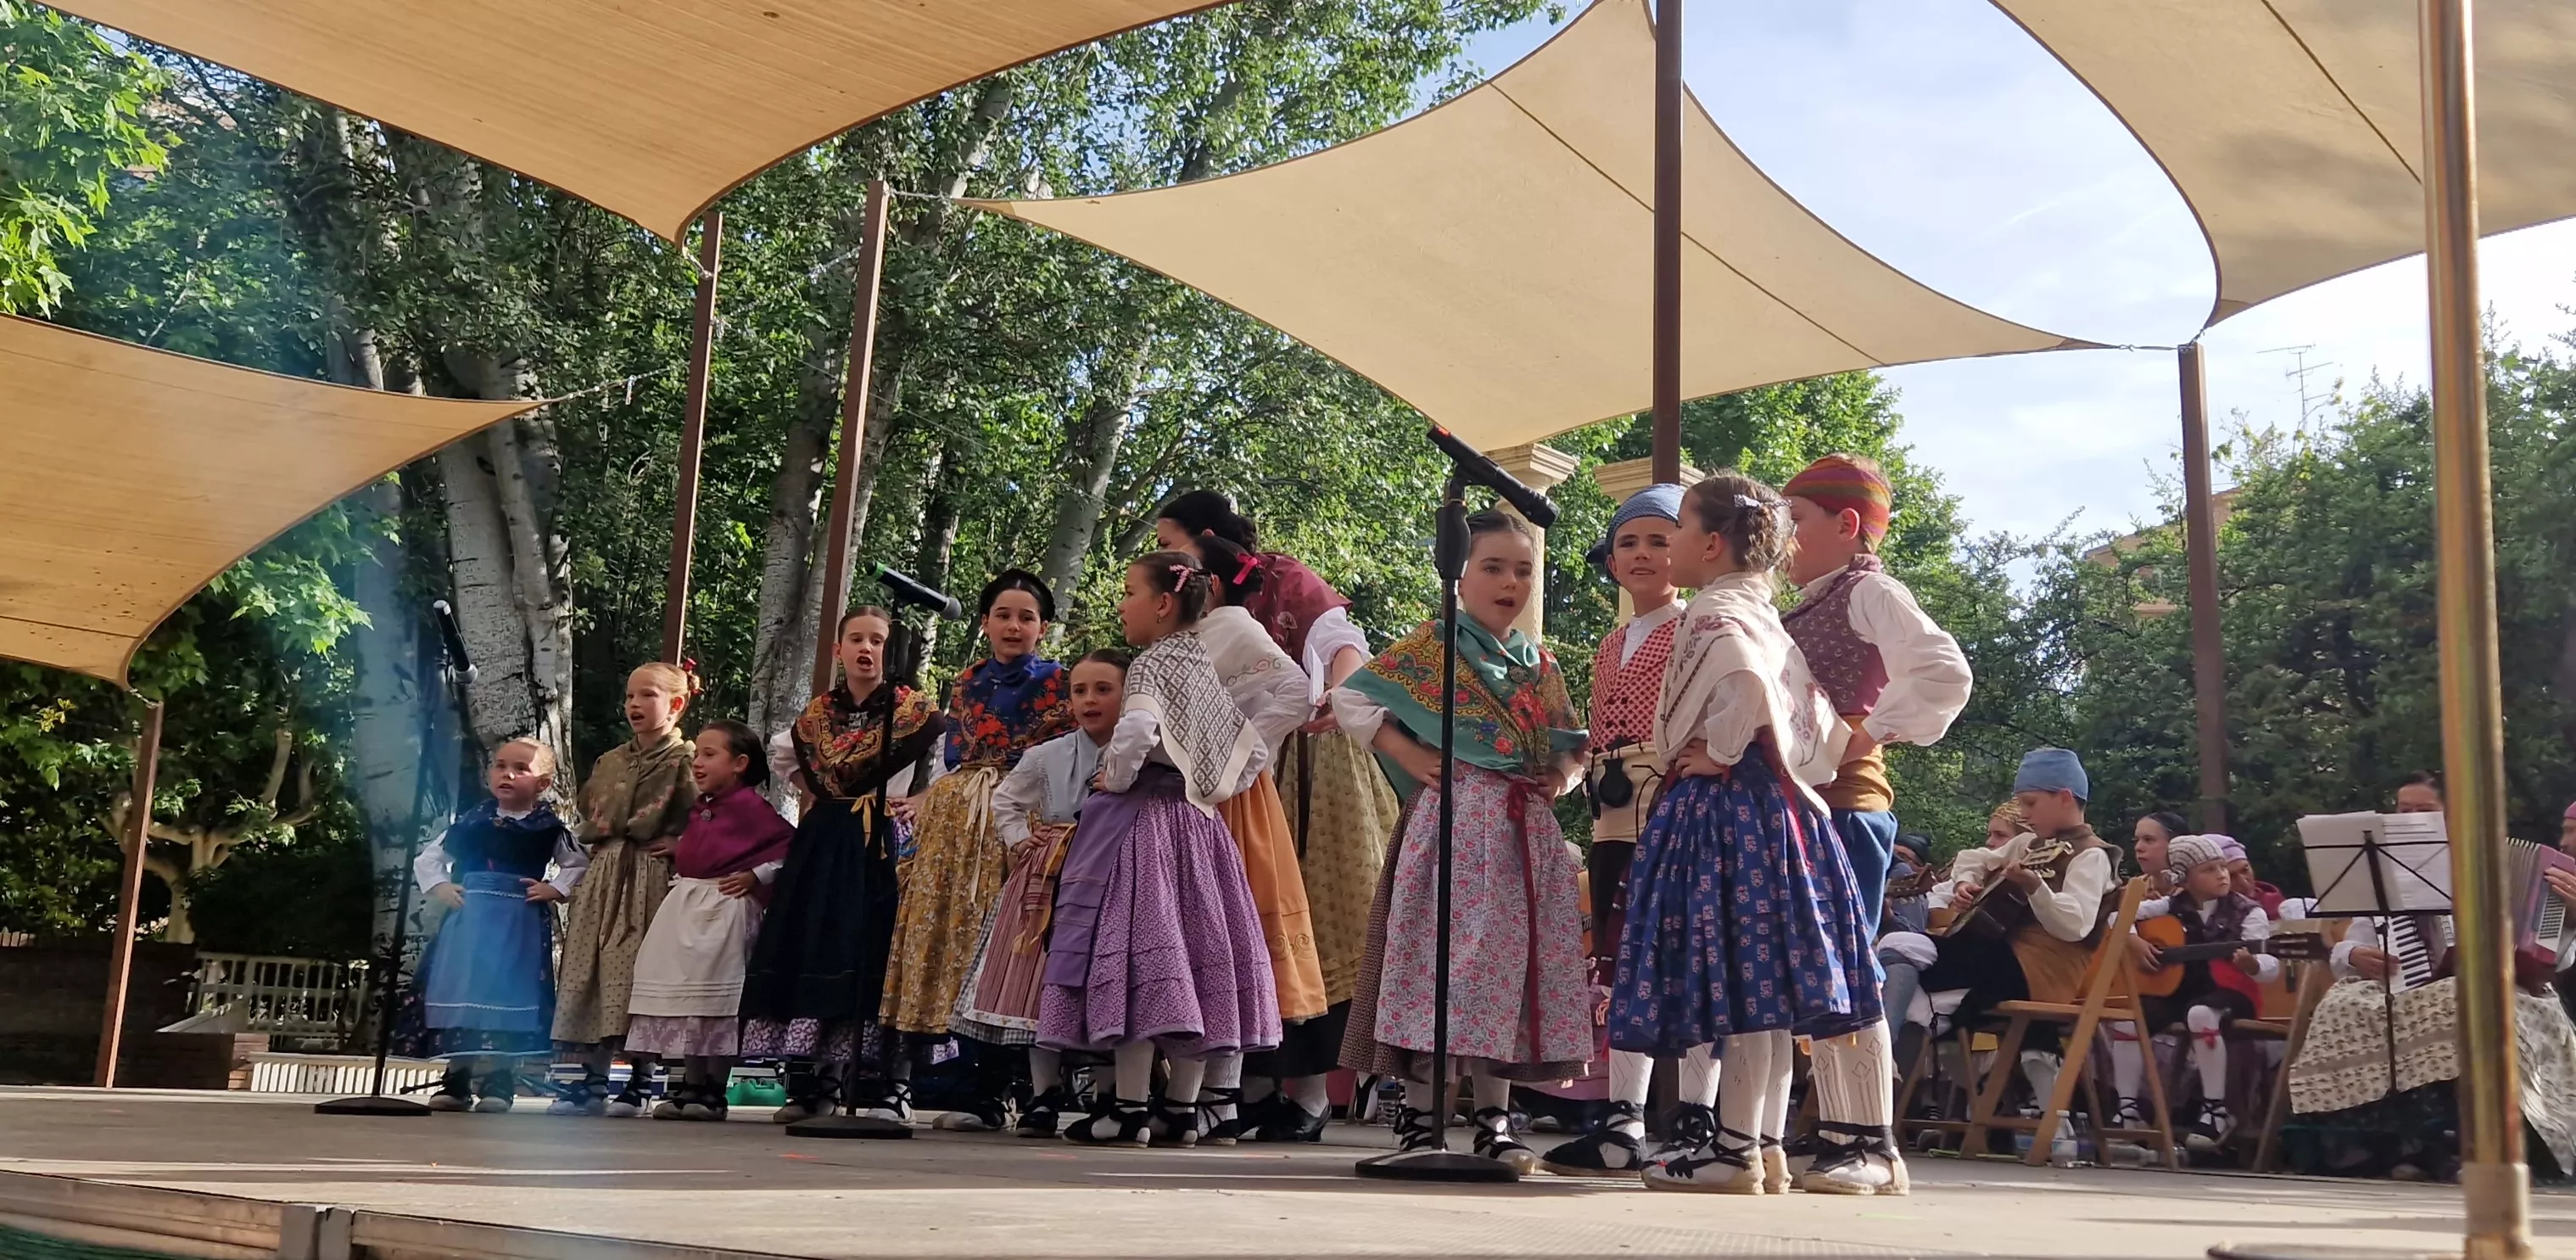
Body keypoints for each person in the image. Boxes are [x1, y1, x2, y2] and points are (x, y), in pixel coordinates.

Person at [1608, 472, 1882, 1195]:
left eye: (1675, 534)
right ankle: (1759, 1145)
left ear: (1709, 541)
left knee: (1742, 985)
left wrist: (1722, 748)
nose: (1665, 550)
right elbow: (1804, 704)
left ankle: (1734, 1151)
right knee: (1765, 993)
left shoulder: (1716, 610)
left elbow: (1738, 678)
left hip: (1726, 807)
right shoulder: (1766, 610)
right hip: (1782, 807)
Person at [1332, 510, 1592, 1174]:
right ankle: (1422, 1114)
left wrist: (1562, 777)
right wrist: (1405, 750)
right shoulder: (1434, 647)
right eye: (1493, 567)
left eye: (1523, 569)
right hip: (1453, 820)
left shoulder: (1536, 664)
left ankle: (1493, 1117)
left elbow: (1573, 743)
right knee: (1438, 960)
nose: (1510, 582)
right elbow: (1352, 700)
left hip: (1521, 831)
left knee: (1509, 969)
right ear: (1459, 577)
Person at [1154, 491, 1400, 1144]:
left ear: (1203, 539)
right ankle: (1251, 1089)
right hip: (1230, 773)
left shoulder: (1286, 580)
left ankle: (1311, 1095)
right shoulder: (1187, 609)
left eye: (1169, 542)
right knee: (1240, 927)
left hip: (1306, 762)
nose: (1160, 557)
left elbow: (1342, 642)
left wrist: (1343, 689)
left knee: (1310, 919)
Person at [1777, 453, 1972, 1193]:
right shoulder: (1801, 601)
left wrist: (1867, 734)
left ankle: (1869, 1140)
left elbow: (1942, 670)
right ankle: (1826, 1127)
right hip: (1804, 803)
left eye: (1796, 521)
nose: (1784, 538)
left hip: (1848, 806)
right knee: (1808, 969)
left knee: (1843, 966)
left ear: (1846, 524)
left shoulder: (1871, 590)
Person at [1041, 554, 1281, 1146]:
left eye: (1128, 591)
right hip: (1200, 827)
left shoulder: (1151, 664)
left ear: (1162, 604)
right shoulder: (1202, 666)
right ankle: (1181, 1108)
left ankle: (1126, 1108)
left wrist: (1114, 778)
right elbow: (1251, 751)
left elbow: (1136, 732)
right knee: (1193, 961)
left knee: (1136, 960)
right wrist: (1211, 785)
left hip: (1143, 824)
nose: (1122, 604)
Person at [740, 608, 950, 1124]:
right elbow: (790, 762)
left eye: (877, 640)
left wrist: (922, 800)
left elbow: (948, 766)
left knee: (878, 948)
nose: (866, 648)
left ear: (888, 650)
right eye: (855, 639)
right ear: (838, 651)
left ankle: (885, 1085)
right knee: (817, 942)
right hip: (828, 836)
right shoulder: (815, 717)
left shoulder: (913, 711)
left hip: (886, 837)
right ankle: (816, 1081)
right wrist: (824, 797)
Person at [881, 570, 1073, 1131]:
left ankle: (1006, 1086)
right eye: (1003, 614)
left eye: (1026, 617)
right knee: (951, 940)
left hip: (1023, 808)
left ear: (1042, 627)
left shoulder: (1060, 682)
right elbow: (952, 757)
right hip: (957, 818)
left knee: (1009, 942)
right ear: (985, 621)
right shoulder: (965, 681)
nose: (1014, 625)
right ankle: (961, 1084)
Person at [1542, 483, 1688, 1178]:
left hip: (1673, 804)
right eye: (1628, 541)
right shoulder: (1609, 642)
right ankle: (1622, 1117)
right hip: (1610, 812)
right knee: (1620, 959)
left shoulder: (1695, 625)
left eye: (1659, 540)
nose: (1640, 554)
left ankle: (1696, 1117)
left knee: (1684, 958)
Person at [1176, 529, 1330, 1142]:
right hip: (1202, 793)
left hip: (1234, 797)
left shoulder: (1234, 627)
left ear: (1208, 583)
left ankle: (1221, 1091)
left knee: (1231, 934)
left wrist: (1245, 749)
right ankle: (1218, 1090)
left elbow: (1295, 689)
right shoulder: (1199, 634)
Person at [1881, 750, 2118, 1136]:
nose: (2025, 814)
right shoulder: (2030, 843)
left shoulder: (2093, 857)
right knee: (1921, 997)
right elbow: (1974, 857)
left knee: (1908, 948)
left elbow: (2073, 925)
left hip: (2037, 972)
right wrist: (1964, 884)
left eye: (2030, 803)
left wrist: (2036, 887)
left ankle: (1884, 1068)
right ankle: (1894, 1079)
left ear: (2064, 797)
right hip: (2000, 960)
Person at [951, 649, 1128, 1139]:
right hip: (1052, 871)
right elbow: (1007, 799)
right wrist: (1018, 839)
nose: (1090, 700)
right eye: (1079, 691)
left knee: (1105, 982)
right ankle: (1043, 1094)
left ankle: (1111, 1097)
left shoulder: (1142, 753)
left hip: (1116, 871)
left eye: (1104, 689)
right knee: (1041, 982)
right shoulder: (1047, 754)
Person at [623, 719, 795, 1122]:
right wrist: (682, 846)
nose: (697, 762)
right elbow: (714, 842)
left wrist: (757, 875)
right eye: (697, 754)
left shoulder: (753, 808)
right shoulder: (703, 808)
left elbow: (789, 846)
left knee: (716, 1000)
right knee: (688, 1000)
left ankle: (714, 1088)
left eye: (709, 754)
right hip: (687, 905)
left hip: (724, 908)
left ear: (739, 764)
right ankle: (689, 1083)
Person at [552, 663, 697, 1116]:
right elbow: (590, 811)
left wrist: (681, 843)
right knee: (589, 968)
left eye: (648, 695)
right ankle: (590, 1079)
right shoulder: (611, 760)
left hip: (650, 874)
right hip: (606, 870)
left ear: (676, 704)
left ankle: (642, 1077)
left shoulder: (685, 760)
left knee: (640, 972)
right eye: (631, 695)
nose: (635, 704)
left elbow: (705, 815)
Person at [410, 739, 585, 1112]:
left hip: (517, 920)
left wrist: (554, 888)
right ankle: (457, 1078)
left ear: (543, 783)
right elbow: (430, 858)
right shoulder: (472, 821)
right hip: (469, 921)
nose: (507, 774)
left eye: (521, 768)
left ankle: (500, 1079)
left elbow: (577, 863)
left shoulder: (547, 827)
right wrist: (441, 886)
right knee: (466, 991)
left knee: (508, 993)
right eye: (500, 765)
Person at [2108, 834, 2280, 1152]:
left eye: (2222, 867)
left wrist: (2252, 965)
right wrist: (2134, 940)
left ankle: (2215, 1110)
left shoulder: (2248, 912)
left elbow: (2271, 966)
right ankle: (2128, 1108)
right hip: (2179, 991)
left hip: (2231, 992)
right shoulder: (2172, 904)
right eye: (2209, 869)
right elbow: (2117, 917)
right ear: (2186, 879)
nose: (2222, 874)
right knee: (2126, 1018)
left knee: (2200, 1014)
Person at [2132, 811, 2188, 896]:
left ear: (2176, 843)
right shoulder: (2133, 891)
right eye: (2136, 841)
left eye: (2148, 839)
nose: (2138, 848)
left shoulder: (2201, 892)